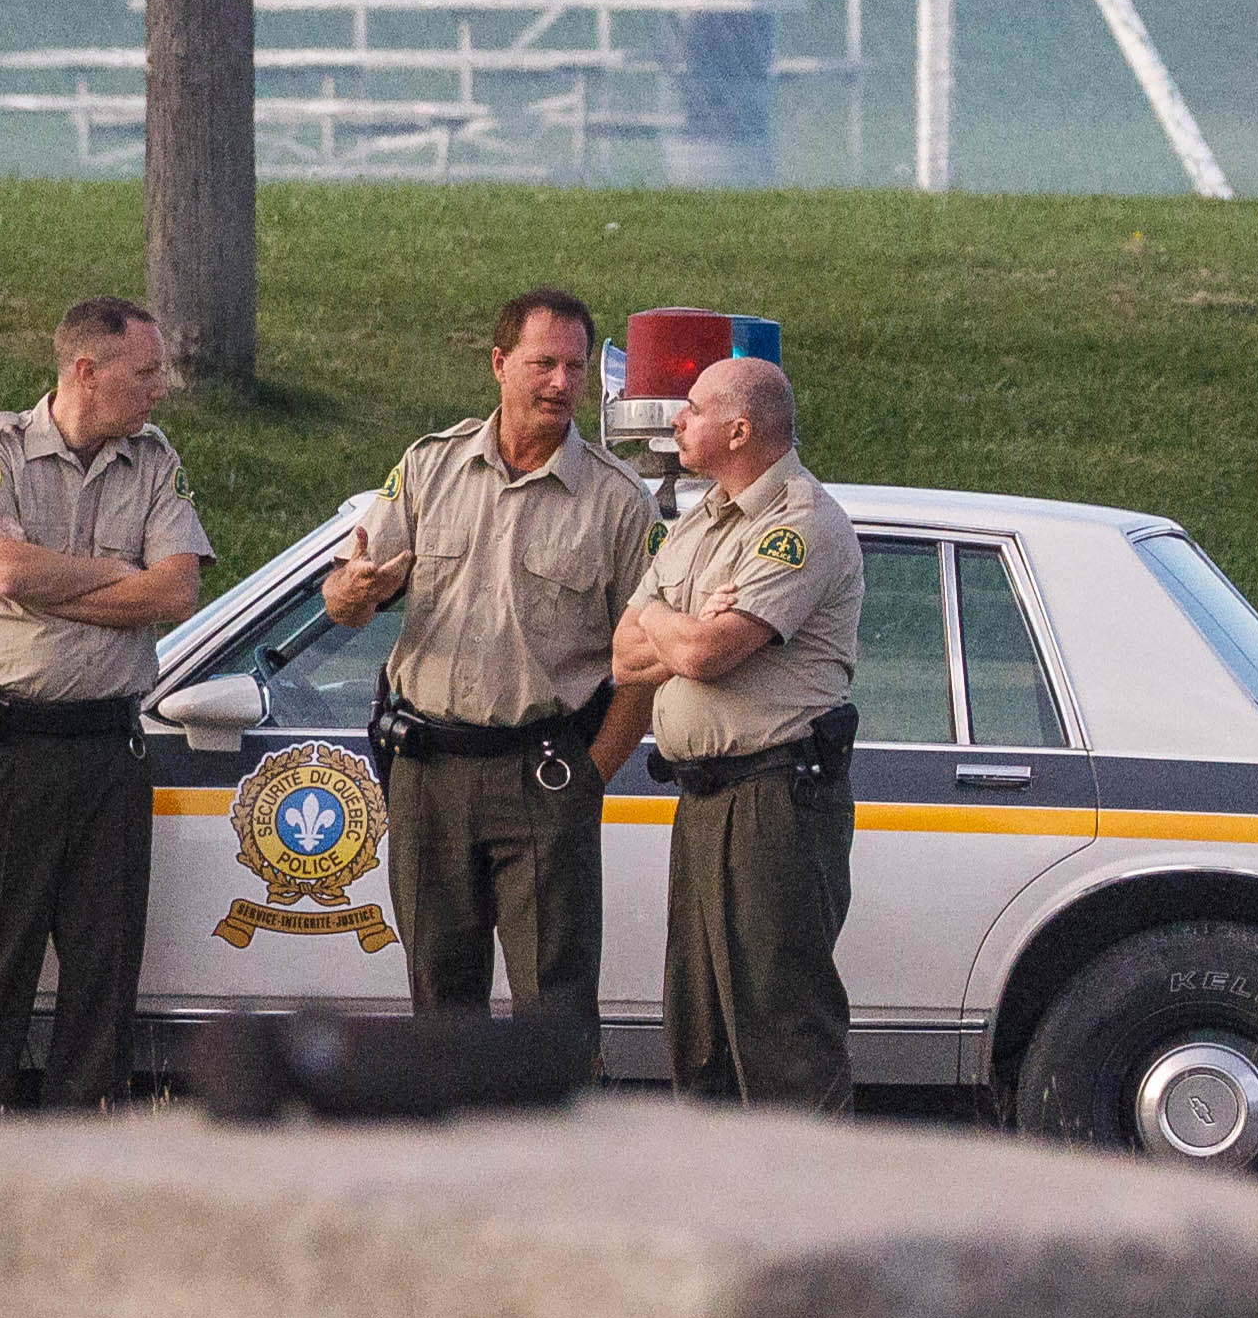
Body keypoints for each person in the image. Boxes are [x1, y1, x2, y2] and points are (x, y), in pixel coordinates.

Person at [320, 288, 650, 1038]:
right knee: (439, 1003)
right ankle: (450, 1154)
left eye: (574, 366)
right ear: (500, 364)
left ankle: (556, 1156)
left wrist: (589, 776)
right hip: (428, 771)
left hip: (542, 774)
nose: (561, 383)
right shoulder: (429, 465)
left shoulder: (616, 500)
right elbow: (344, 595)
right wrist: (354, 592)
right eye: (543, 363)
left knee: (553, 1009)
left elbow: (646, 667)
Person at [0, 297, 213, 1112]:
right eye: (146, 371)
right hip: (4, 752)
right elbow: (5, 571)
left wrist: (61, 582)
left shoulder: (155, 461)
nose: (160, 388)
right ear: (87, 370)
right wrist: (123, 577)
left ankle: (80, 1184)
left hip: (107, 756)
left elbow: (179, 587)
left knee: (102, 986)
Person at [615, 356, 863, 1109]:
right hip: (704, 801)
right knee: (699, 1030)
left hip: (773, 799)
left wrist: (668, 621)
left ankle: (809, 1218)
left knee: (780, 1032)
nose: (676, 421)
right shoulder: (703, 521)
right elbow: (624, 659)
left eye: (691, 409)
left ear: (740, 427)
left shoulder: (798, 524)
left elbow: (702, 654)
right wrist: (678, 623)